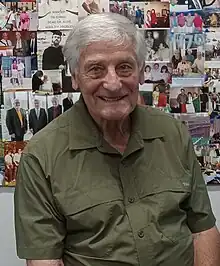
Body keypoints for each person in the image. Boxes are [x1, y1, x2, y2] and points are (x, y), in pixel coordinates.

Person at [14, 13, 220, 266]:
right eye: (96, 69)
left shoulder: (173, 133)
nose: (112, 83)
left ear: (141, 73)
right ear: (76, 77)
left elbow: (203, 230)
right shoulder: (41, 156)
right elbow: (44, 259)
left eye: (124, 67)